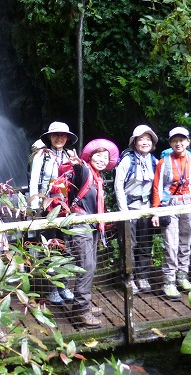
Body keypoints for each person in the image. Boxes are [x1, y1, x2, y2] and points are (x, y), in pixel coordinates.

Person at [64, 138, 119, 327]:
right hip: (81, 225)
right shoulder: (85, 170)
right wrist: (77, 163)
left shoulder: (97, 177)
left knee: (90, 266)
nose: (102, 160)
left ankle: (83, 304)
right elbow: (79, 171)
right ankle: (81, 311)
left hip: (92, 225)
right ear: (90, 156)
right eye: (98, 156)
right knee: (86, 267)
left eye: (105, 157)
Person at [28, 121, 77, 305]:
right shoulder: (42, 155)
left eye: (63, 135)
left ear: (67, 138)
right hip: (46, 206)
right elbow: (34, 181)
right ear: (49, 137)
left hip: (65, 207)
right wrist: (34, 206)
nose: (59, 138)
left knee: (65, 246)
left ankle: (64, 285)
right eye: (56, 135)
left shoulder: (68, 155)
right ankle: (52, 289)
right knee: (49, 247)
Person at [151, 127, 191, 300]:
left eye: (182, 140)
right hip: (169, 205)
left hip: (188, 203)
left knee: (185, 243)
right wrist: (156, 211)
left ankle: (182, 276)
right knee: (171, 245)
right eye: (175, 140)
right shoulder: (163, 162)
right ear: (170, 143)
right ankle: (169, 281)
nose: (178, 143)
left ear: (188, 142)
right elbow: (157, 187)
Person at [114, 125, 159, 294]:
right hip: (129, 208)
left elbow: (158, 186)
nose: (145, 142)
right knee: (128, 244)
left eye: (148, 139)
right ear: (134, 142)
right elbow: (118, 186)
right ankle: (128, 278)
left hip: (146, 209)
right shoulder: (127, 160)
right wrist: (124, 211)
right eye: (141, 139)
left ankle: (143, 276)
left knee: (145, 243)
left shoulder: (154, 162)